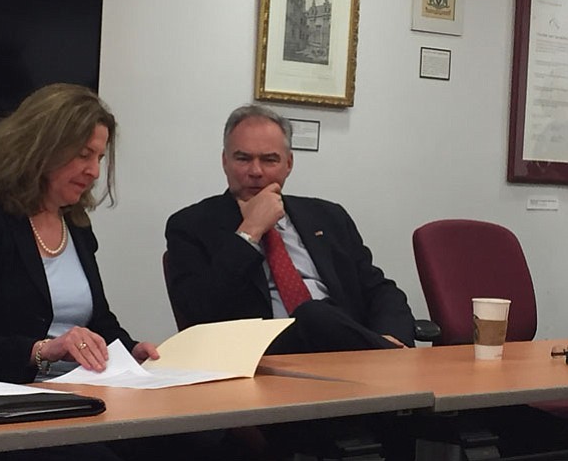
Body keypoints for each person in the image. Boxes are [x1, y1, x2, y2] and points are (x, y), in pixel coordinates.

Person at [0, 84, 155, 461]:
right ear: (42, 147)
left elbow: (98, 320)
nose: (94, 171)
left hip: (79, 398)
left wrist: (131, 350)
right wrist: (42, 350)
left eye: (99, 156)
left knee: (197, 440)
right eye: (84, 155)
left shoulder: (75, 223)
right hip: (7, 405)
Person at [165, 104, 416, 355]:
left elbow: (381, 290)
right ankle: (384, 357)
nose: (256, 171)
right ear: (225, 162)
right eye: (243, 158)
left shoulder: (328, 216)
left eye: (269, 159)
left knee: (320, 314)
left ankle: (385, 355)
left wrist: (391, 336)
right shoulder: (190, 226)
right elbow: (197, 312)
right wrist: (250, 231)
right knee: (311, 313)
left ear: (289, 164)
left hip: (344, 352)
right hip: (261, 358)